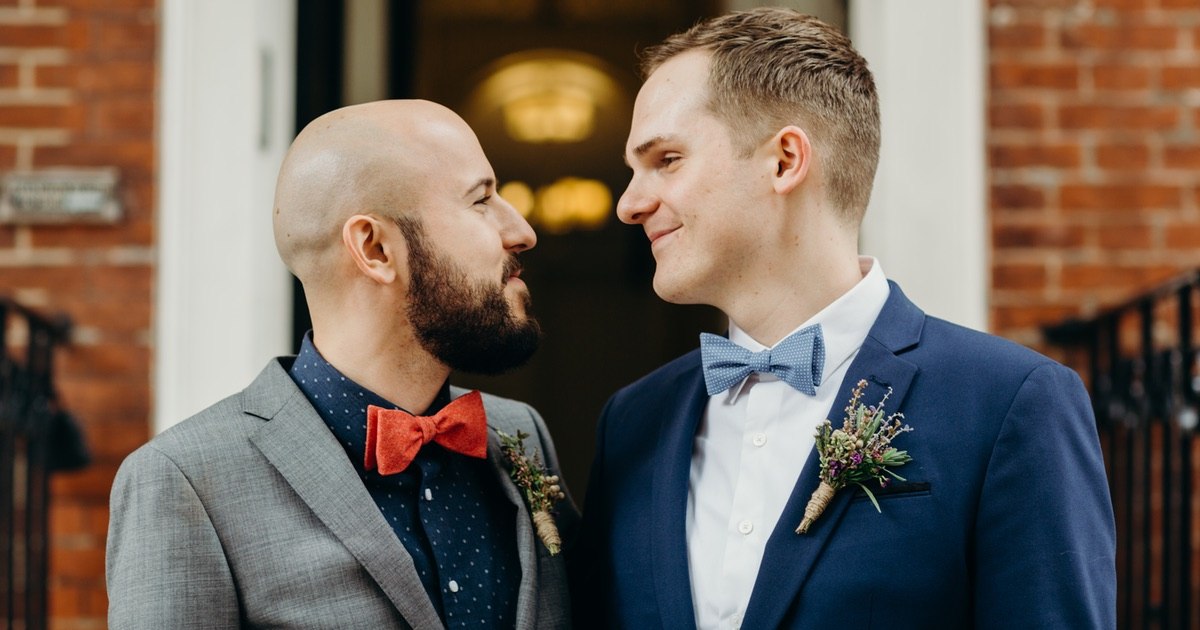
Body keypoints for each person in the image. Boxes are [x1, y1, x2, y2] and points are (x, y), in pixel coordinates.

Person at [571, 8, 1115, 629]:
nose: (629, 204)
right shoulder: (633, 424)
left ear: (784, 161)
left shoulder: (1007, 406)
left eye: (665, 159)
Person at [107, 100, 576, 629]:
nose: (521, 230)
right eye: (482, 199)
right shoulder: (186, 480)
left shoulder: (521, 434)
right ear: (374, 248)